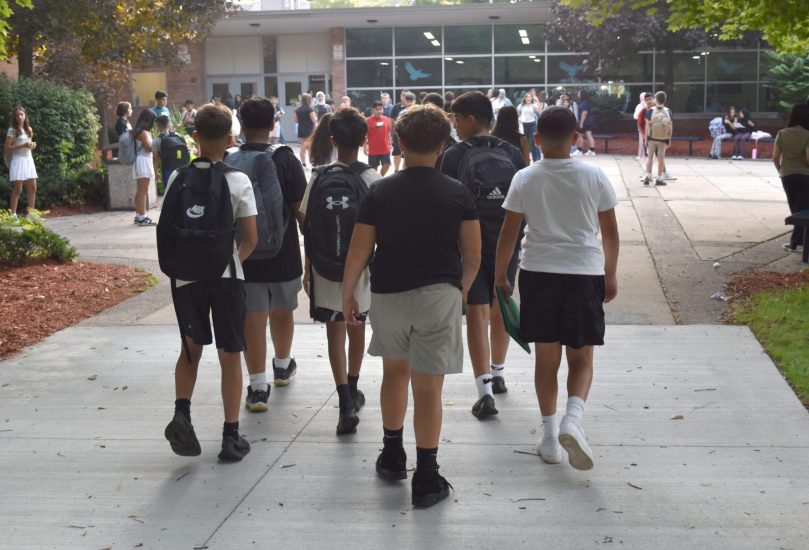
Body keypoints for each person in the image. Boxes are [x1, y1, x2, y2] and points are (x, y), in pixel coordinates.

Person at [342, 104, 481, 507]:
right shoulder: (457, 193)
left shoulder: (380, 191)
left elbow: (358, 251)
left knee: (394, 375)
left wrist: (349, 293)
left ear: (400, 143)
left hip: (388, 294)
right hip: (439, 294)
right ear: (442, 146)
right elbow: (472, 256)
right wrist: (460, 292)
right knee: (428, 387)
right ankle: (427, 475)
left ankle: (391, 453)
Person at [494, 105, 619, 470]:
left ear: (536, 139)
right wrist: (610, 274)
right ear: (575, 139)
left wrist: (501, 275)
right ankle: (573, 421)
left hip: (539, 273)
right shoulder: (594, 175)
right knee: (581, 357)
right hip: (584, 273)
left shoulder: (525, 177)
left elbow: (509, 234)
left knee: (547, 359)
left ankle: (549, 438)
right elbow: (609, 232)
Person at [161, 103, 258, 462]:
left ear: (195, 137)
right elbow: (250, 238)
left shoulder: (177, 178)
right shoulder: (238, 180)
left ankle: (182, 413)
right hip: (227, 278)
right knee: (231, 353)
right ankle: (231, 436)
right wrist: (231, 261)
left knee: (191, 348)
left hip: (186, 278)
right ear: (231, 139)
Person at [442, 91, 526, 419]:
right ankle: (500, 371)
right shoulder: (512, 152)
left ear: (471, 119)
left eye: (457, 119)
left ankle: (485, 390)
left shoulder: (453, 155)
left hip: (469, 245)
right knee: (501, 308)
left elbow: (447, 202)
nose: (455, 126)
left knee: (476, 314)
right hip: (508, 242)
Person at [301, 107, 380, 434]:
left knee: (333, 332)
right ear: (365, 139)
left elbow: (306, 224)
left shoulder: (318, 177)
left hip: (324, 268)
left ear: (332, 140)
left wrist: (308, 268)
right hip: (359, 272)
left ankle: (344, 399)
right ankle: (354, 384)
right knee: (356, 326)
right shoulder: (371, 178)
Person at [242, 101, 307, 389]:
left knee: (253, 316)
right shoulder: (285, 158)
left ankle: (257, 386)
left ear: (241, 126)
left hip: (244, 253)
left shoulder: (231, 161)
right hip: (283, 251)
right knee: (282, 309)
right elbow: (300, 208)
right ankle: (282, 365)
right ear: (272, 126)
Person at [773, 104, 809, 253]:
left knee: (795, 207)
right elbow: (808, 159)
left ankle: (796, 241)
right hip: (805, 175)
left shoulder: (781, 134)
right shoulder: (807, 134)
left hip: (787, 175)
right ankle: (797, 241)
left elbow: (775, 157)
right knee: (802, 209)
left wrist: (781, 170)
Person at [5, 106, 38, 216]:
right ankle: (13, 215)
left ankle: (31, 215)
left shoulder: (29, 129)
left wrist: (32, 145)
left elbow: (29, 144)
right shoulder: (12, 130)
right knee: (18, 188)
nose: (19, 117)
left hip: (28, 159)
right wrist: (22, 145)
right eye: (17, 115)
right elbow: (7, 148)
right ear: (14, 117)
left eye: (21, 114)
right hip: (18, 160)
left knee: (33, 187)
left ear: (25, 115)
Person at [131, 109, 158, 225]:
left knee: (140, 190)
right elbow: (149, 148)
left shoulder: (138, 131)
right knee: (143, 190)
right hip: (144, 160)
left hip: (140, 160)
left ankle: (139, 215)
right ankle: (142, 217)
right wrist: (157, 143)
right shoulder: (144, 133)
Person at [642, 91, 673, 187]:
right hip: (663, 139)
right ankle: (659, 178)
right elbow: (671, 126)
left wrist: (646, 139)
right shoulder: (668, 111)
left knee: (650, 158)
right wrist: (669, 139)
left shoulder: (650, 111)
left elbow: (647, 126)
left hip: (652, 138)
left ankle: (647, 176)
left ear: (655, 99)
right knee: (661, 159)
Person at [152, 115, 190, 189]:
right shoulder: (178, 136)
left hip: (168, 170)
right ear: (169, 124)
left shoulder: (156, 141)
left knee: (170, 191)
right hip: (182, 168)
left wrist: (155, 172)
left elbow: (155, 159)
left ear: (157, 126)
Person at [365, 100, 393, 175]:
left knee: (387, 164)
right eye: (377, 109)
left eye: (381, 109)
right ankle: (376, 179)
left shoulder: (386, 119)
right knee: (373, 168)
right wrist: (365, 147)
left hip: (385, 148)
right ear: (373, 110)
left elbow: (388, 132)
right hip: (373, 149)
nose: (379, 111)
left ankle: (380, 177)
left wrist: (390, 144)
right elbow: (365, 135)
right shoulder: (367, 120)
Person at [390, 90, 411, 172]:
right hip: (397, 133)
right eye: (403, 95)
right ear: (401, 96)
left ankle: (405, 169)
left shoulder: (412, 107)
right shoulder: (396, 107)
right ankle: (396, 170)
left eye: (407, 95)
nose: (405, 97)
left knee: (407, 152)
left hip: (408, 133)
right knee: (397, 153)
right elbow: (391, 120)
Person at [295, 93, 317, 167]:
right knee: (310, 147)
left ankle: (303, 163)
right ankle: (312, 163)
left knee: (303, 147)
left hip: (301, 129)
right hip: (309, 129)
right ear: (309, 100)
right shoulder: (310, 109)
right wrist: (316, 118)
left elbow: (295, 120)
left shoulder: (298, 109)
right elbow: (313, 119)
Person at [518, 92, 540, 162]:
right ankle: (525, 158)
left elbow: (539, 111)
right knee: (525, 141)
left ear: (531, 98)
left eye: (530, 97)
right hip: (524, 124)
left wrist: (537, 101)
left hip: (532, 124)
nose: (528, 98)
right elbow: (517, 114)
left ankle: (536, 159)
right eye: (527, 97)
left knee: (534, 141)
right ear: (524, 98)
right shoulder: (521, 106)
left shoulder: (533, 105)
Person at [576, 90, 596, 156]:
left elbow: (584, 113)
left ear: (582, 95)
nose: (578, 94)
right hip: (589, 121)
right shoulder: (586, 102)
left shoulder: (584, 103)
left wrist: (581, 123)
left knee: (580, 135)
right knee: (589, 135)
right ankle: (592, 150)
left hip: (585, 122)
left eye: (579, 93)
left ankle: (579, 150)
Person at [633, 93, 649, 159]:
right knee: (641, 141)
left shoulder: (650, 106)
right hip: (641, 126)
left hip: (648, 126)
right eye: (641, 98)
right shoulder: (639, 106)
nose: (642, 99)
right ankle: (640, 155)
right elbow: (635, 116)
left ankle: (650, 155)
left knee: (649, 141)